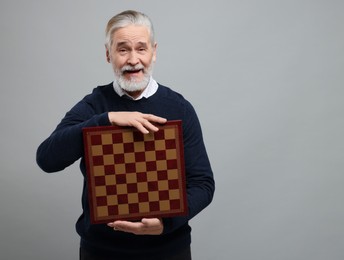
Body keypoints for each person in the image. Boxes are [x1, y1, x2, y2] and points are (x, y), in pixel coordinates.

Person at [36, 10, 215, 260]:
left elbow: (203, 184)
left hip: (168, 251)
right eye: (123, 50)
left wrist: (167, 223)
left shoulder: (180, 109)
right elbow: (46, 159)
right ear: (108, 54)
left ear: (154, 52)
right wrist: (107, 119)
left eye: (141, 49)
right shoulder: (93, 107)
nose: (133, 59)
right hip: (101, 251)